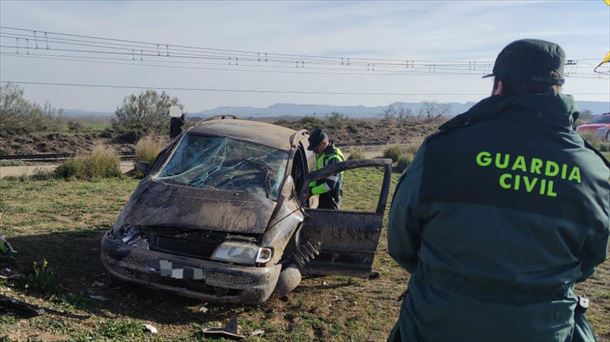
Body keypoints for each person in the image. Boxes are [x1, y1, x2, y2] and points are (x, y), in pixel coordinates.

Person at [387, 39, 609, 341]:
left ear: (500, 85)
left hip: (436, 326)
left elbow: (402, 243)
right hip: (542, 329)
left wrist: (450, 280)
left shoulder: (442, 151)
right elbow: (589, 260)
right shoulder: (592, 169)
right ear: (558, 86)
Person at [308, 127, 345, 210]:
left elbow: (330, 185)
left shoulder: (333, 159)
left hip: (331, 200)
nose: (314, 151)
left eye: (315, 148)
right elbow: (318, 174)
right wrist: (310, 186)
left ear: (323, 143)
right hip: (324, 195)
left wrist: (311, 191)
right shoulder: (323, 154)